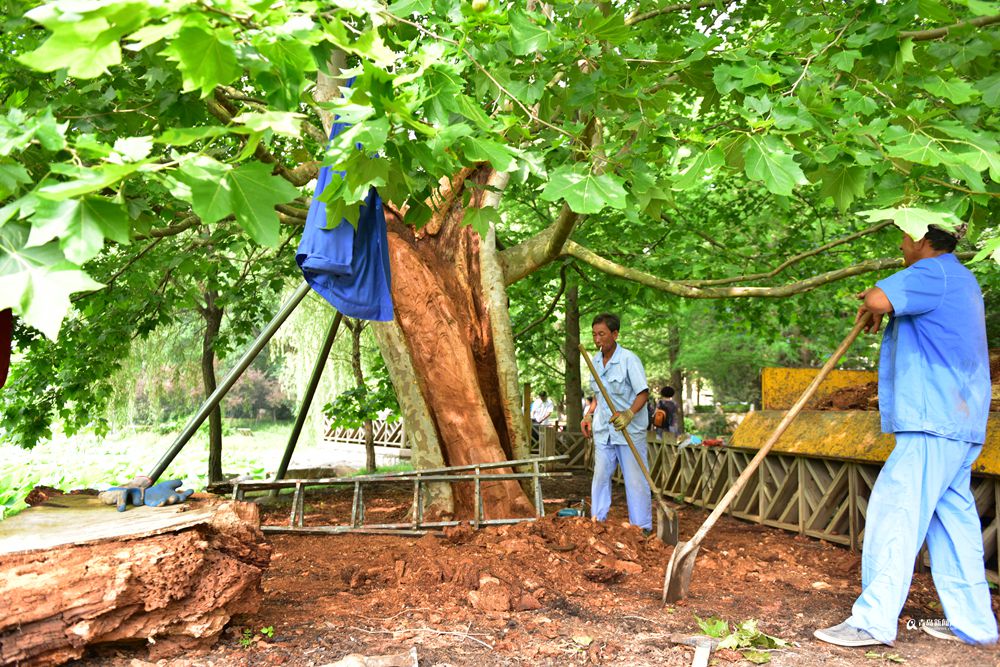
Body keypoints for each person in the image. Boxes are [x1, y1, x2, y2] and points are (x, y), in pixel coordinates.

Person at [814, 224, 998, 648]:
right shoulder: (959, 278)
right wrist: (886, 307)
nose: (900, 245)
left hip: (934, 419)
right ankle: (976, 624)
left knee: (894, 512)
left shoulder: (933, 271)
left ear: (922, 239)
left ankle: (872, 621)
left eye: (904, 237)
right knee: (954, 525)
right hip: (958, 420)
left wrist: (877, 302)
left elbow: (879, 297)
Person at [580, 313, 651, 531]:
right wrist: (589, 414)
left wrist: (629, 414)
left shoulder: (629, 359)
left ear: (615, 334)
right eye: (594, 334)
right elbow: (598, 396)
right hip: (604, 429)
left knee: (635, 479)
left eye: (601, 334)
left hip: (629, 429)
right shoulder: (595, 361)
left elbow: (643, 393)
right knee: (600, 476)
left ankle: (642, 527)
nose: (597, 339)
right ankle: (597, 521)